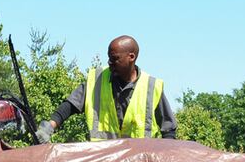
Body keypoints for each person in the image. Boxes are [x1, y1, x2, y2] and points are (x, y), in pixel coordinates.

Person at [36, 35, 177, 143]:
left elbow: (169, 130)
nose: (109, 63)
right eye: (109, 58)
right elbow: (70, 106)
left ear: (131, 57)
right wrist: (49, 127)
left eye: (114, 59)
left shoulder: (151, 87)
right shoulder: (97, 79)